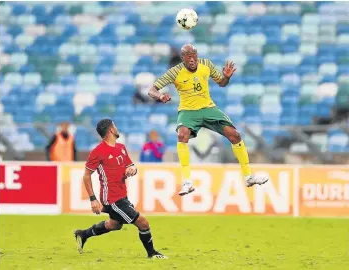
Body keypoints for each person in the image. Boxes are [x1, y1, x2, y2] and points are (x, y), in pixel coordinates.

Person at [148, 44, 269, 196]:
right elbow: (151, 90)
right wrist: (160, 96)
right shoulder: (175, 72)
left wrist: (226, 77)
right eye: (188, 56)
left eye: (194, 55)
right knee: (181, 135)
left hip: (208, 108)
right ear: (183, 58)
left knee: (235, 135)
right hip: (188, 111)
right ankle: (187, 181)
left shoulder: (206, 64)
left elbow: (222, 83)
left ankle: (248, 176)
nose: (192, 59)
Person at [74, 119, 167, 259]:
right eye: (115, 126)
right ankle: (152, 253)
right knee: (143, 222)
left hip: (122, 195)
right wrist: (93, 199)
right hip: (112, 199)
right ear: (111, 130)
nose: (117, 128)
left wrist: (131, 170)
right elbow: (86, 176)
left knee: (115, 224)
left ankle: (83, 234)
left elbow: (131, 166)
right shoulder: (98, 151)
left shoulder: (121, 147)